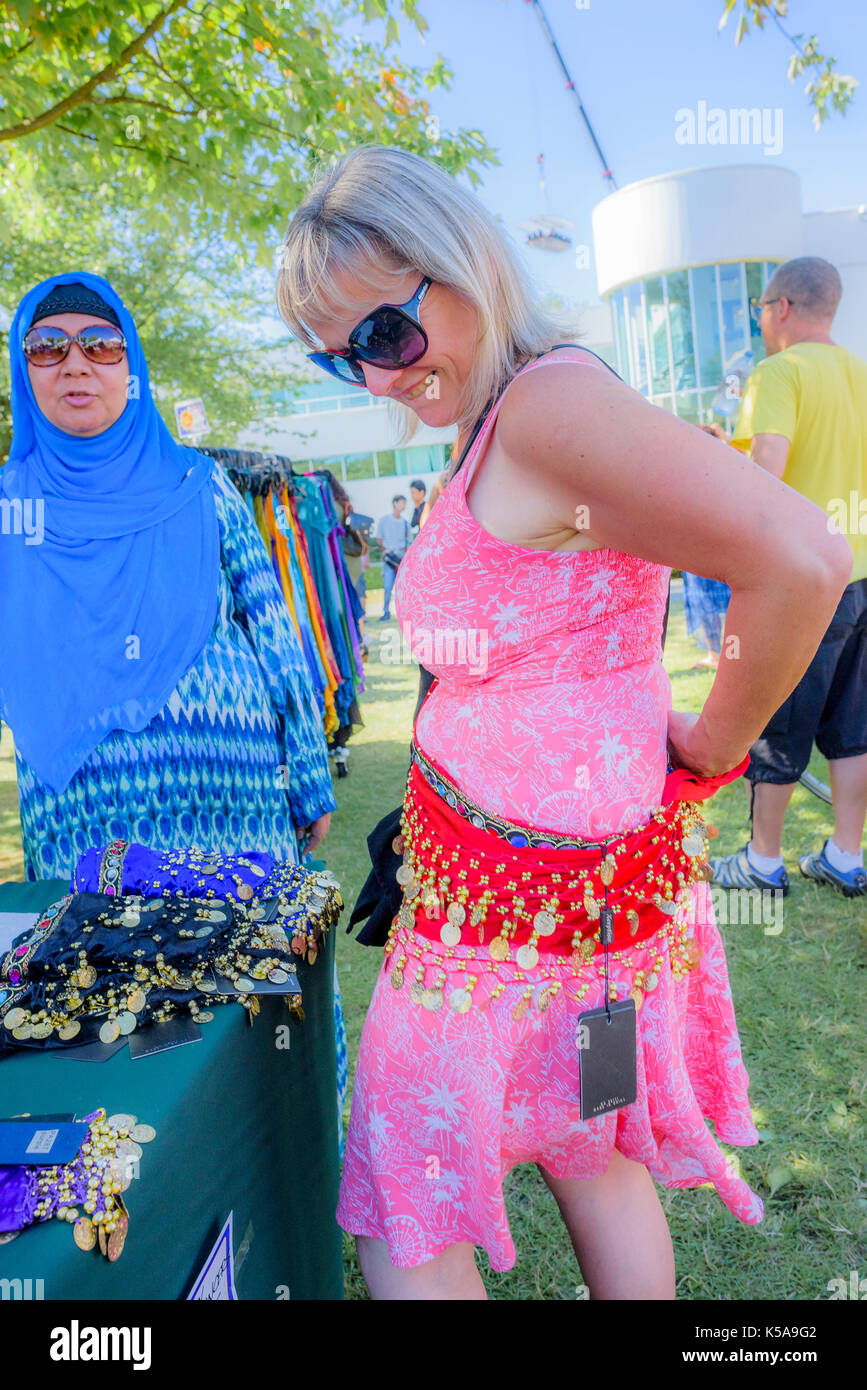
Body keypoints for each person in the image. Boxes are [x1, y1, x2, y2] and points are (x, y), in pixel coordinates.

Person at [276, 146, 852, 1300]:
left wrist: (719, 743)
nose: (376, 379)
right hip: (575, 926)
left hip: (508, 938)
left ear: (463, 267)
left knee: (409, 1201)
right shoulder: (504, 410)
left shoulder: (548, 408)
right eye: (337, 361)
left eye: (383, 338)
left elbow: (801, 557)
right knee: (596, 1153)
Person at [0, 272, 349, 1148]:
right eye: (49, 348)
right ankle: (177, 1186)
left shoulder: (200, 485)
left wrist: (306, 769)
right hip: (90, 818)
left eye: (100, 345)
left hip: (237, 811)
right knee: (136, 1008)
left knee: (261, 988)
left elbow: (273, 626)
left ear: (131, 366)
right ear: (23, 369)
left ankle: (295, 1171)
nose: (75, 364)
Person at [709, 257, 867, 898]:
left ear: (783, 309)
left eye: (761, 309)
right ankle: (846, 855)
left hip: (807, 582)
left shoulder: (778, 372)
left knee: (778, 716)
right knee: (855, 726)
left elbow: (766, 477)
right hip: (862, 572)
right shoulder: (860, 371)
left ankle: (763, 861)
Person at [375, 493, 411, 621]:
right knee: (387, 587)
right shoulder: (384, 521)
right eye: (402, 502)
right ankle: (386, 612)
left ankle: (405, 614)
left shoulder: (406, 524)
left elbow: (408, 543)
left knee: (403, 590)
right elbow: (379, 539)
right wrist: (387, 550)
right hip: (389, 560)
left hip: (401, 561)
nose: (404, 505)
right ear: (395, 503)